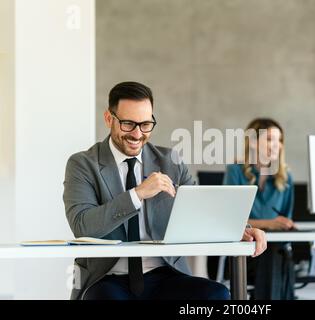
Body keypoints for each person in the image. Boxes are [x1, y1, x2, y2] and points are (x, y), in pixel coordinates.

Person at [63, 81, 267, 300]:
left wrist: (242, 229)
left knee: (216, 294)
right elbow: (82, 225)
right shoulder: (83, 164)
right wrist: (137, 194)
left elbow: (204, 209)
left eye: (146, 124)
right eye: (128, 124)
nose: (137, 134)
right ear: (108, 119)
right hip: (107, 278)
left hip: (165, 274)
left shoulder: (170, 161)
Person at [223, 118, 295, 300]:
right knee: (273, 255)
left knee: (275, 251)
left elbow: (285, 221)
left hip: (275, 249)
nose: (276, 145)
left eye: (279, 141)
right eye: (270, 139)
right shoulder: (236, 171)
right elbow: (229, 220)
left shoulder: (286, 178)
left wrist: (281, 224)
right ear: (253, 142)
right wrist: (269, 224)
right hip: (243, 251)